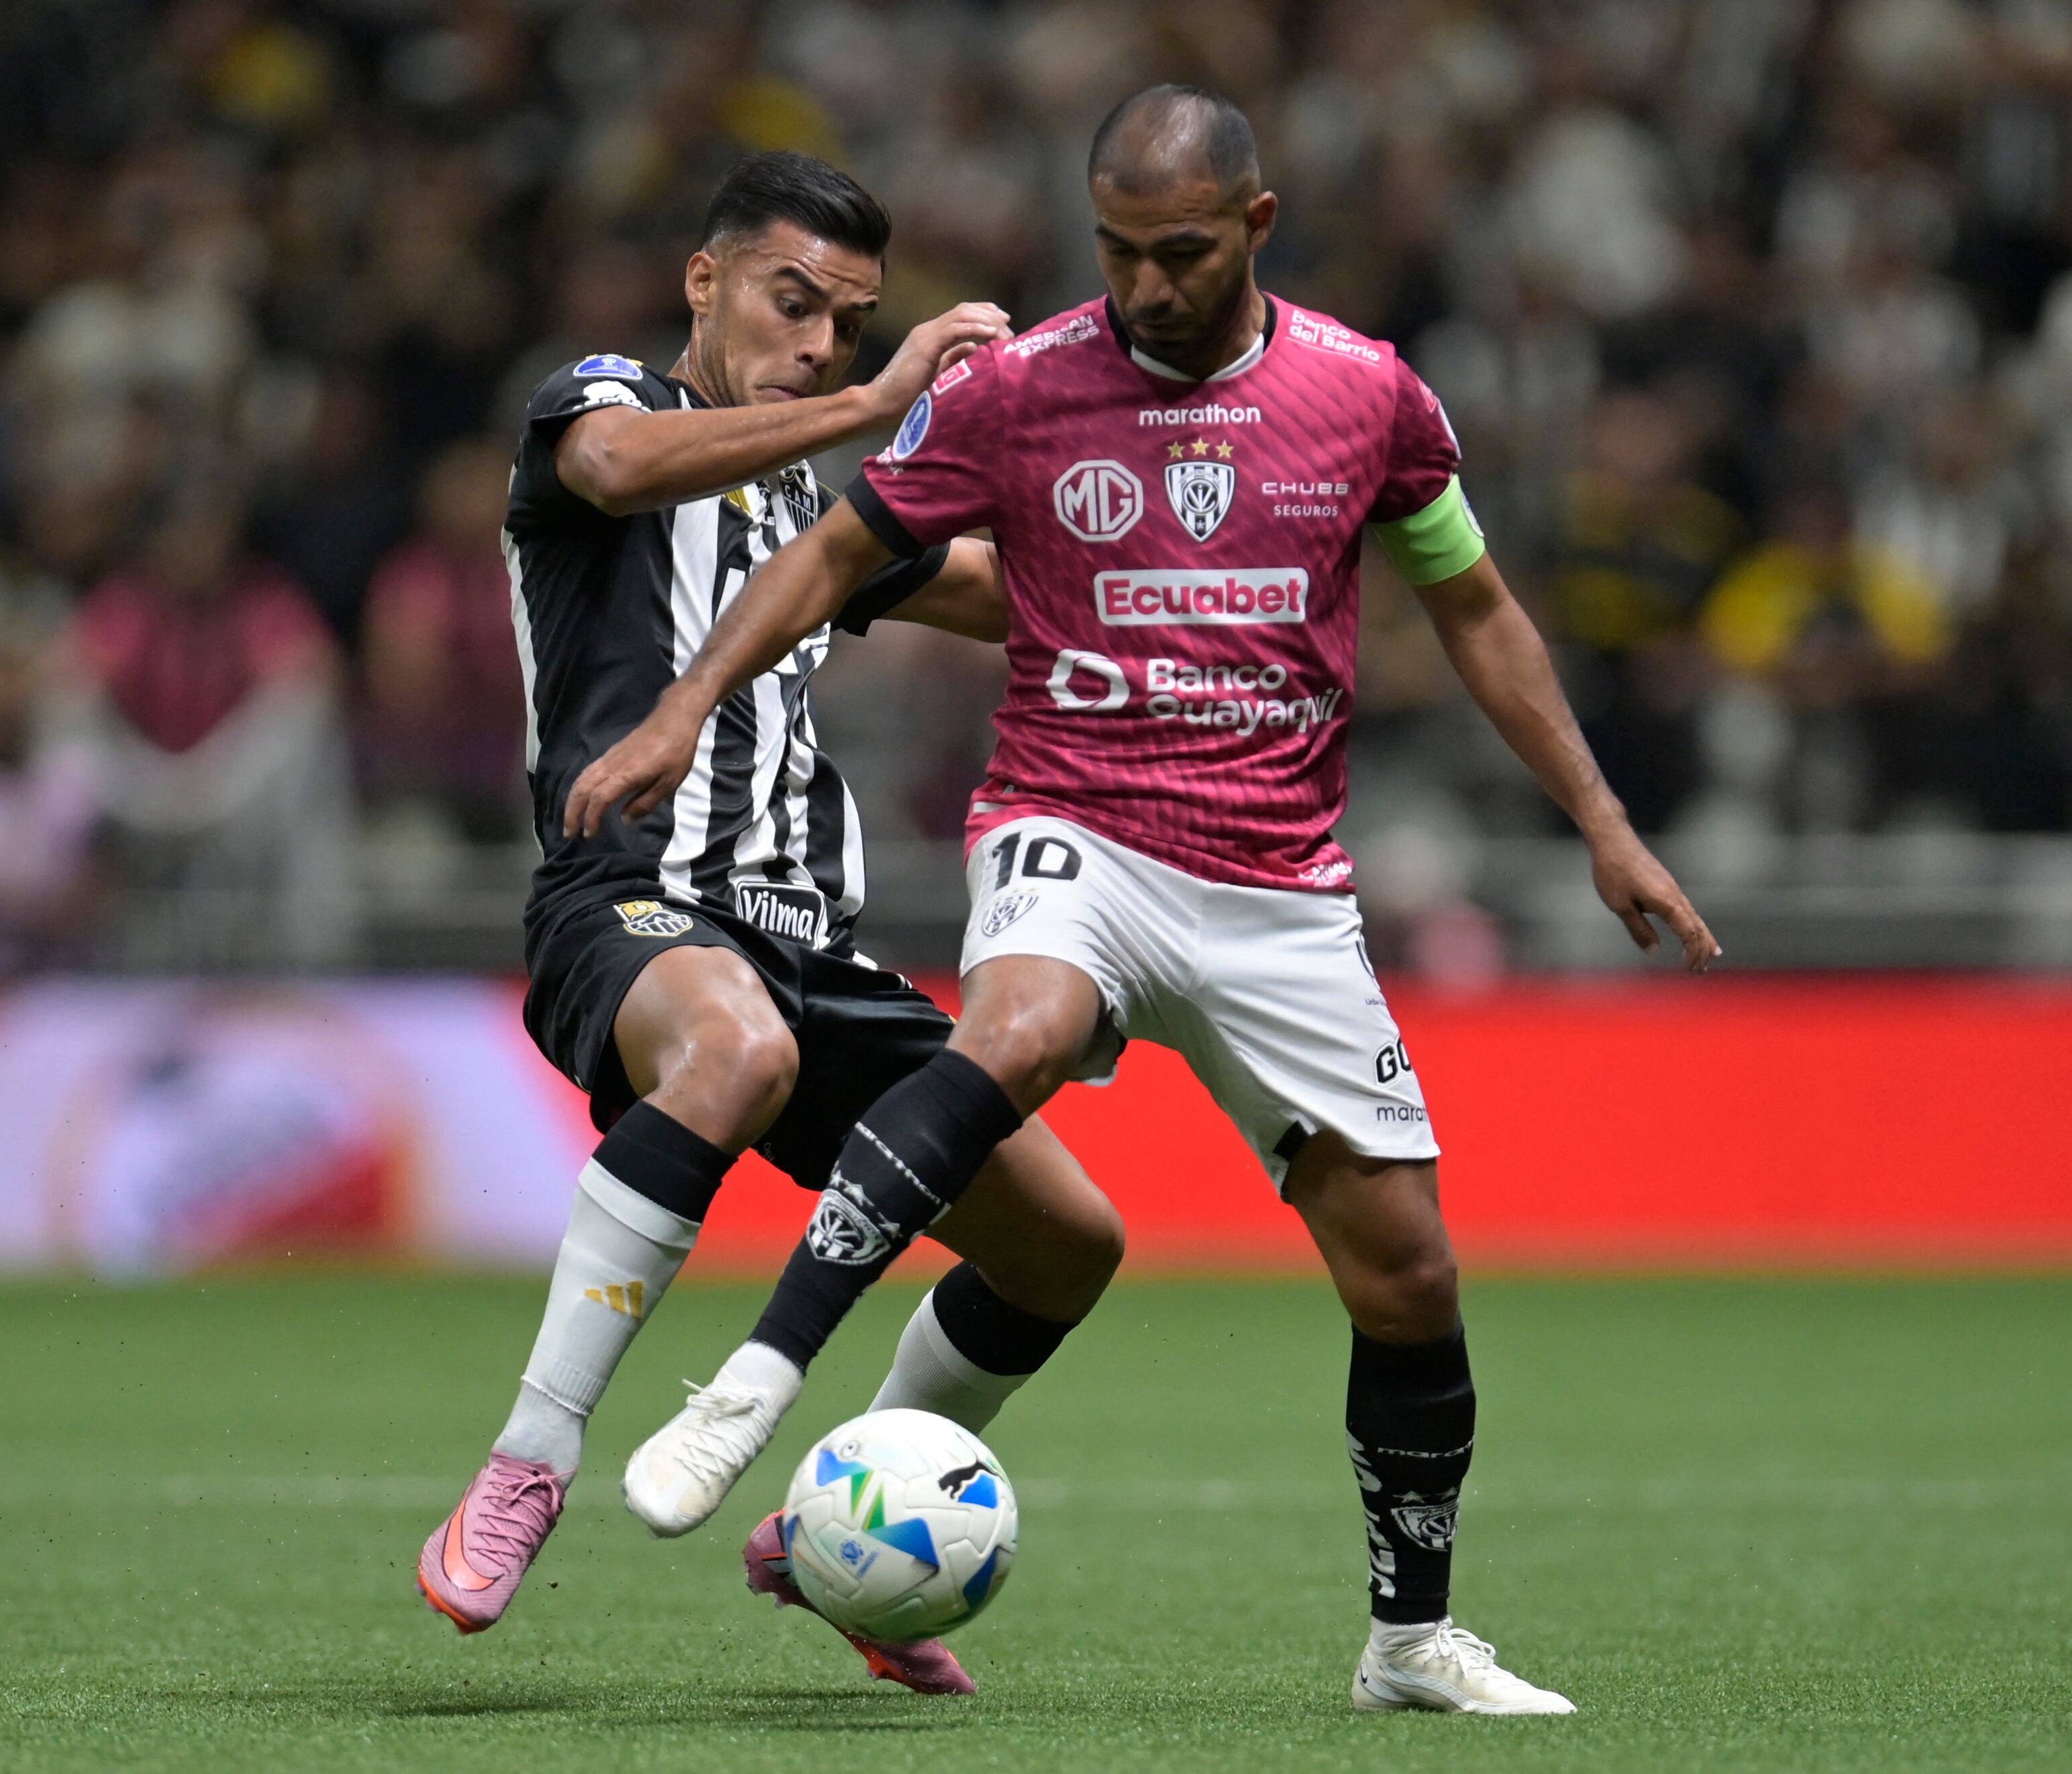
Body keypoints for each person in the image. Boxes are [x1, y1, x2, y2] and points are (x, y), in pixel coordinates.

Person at [586, 92, 1717, 1716]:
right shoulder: (1024, 388)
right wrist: (690, 701)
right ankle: (755, 1380)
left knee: (1406, 1274)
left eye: (1177, 253)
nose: (1143, 285)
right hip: (1076, 826)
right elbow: (833, 556)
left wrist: (1603, 823)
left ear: (1255, 228)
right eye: (1115, 250)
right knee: (1017, 1031)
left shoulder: (1367, 394)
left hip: (1275, 883)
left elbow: (1472, 607)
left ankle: (1408, 1642)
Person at [413, 152, 1126, 1699]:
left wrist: (1112, 493)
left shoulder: (806, 499)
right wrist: (879, 408)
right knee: (724, 1046)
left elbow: (1002, 593)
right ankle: (530, 1460)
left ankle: (827, 1523)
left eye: (847, 324)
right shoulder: (597, 404)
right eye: (792, 303)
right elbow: (610, 471)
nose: (817, 343)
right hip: (629, 903)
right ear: (705, 281)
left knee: (1066, 1244)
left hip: (814, 944)